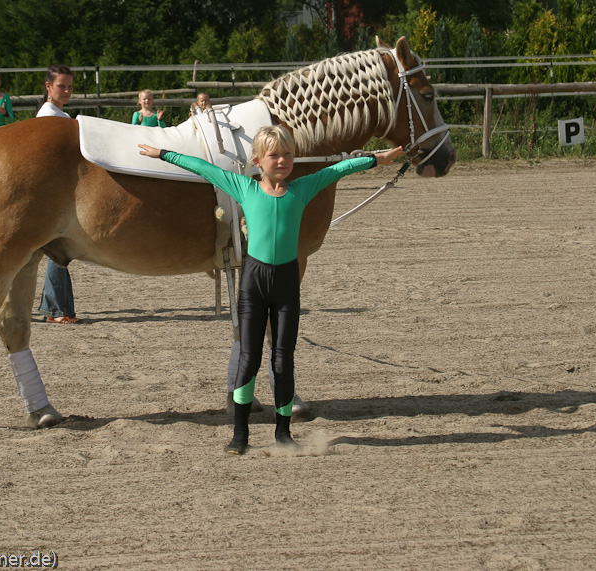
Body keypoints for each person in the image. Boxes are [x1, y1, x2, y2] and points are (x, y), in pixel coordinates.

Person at [138, 126, 403, 454]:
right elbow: (202, 168)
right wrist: (163, 153)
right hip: (254, 284)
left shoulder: (302, 188)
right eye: (274, 155)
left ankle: (283, 433)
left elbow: (339, 169)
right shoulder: (243, 187)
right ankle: (240, 435)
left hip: (286, 285)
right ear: (257, 161)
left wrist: (377, 159)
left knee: (283, 361)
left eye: (288, 154)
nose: (282, 160)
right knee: (249, 360)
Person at [35, 65, 79, 324]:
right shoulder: (49, 116)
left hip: (59, 188)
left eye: (70, 87)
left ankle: (54, 307)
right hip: (54, 190)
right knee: (56, 249)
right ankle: (57, 310)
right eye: (61, 86)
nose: (67, 91)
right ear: (48, 87)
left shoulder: (60, 114)